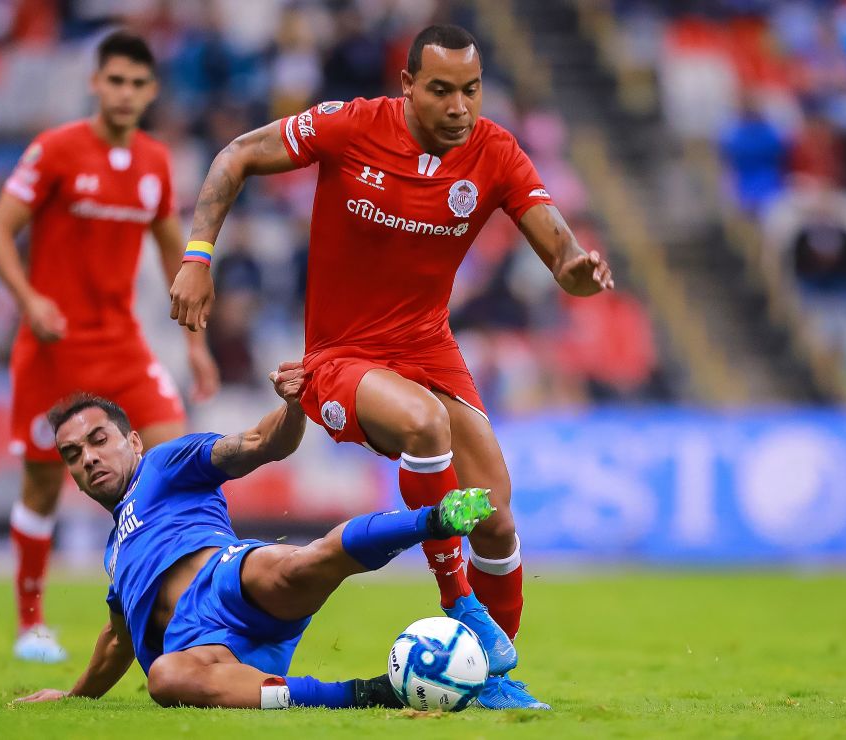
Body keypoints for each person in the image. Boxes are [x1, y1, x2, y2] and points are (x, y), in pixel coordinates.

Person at [169, 24, 616, 709]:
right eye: (441, 90)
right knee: (424, 423)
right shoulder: (351, 126)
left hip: (427, 347)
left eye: (470, 90)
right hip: (339, 356)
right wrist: (199, 256)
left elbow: (560, 250)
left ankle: (491, 679)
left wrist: (578, 272)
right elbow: (235, 155)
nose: (459, 106)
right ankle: (457, 600)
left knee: (495, 517)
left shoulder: (495, 151)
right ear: (407, 85)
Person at [15, 363, 497, 709]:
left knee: (296, 564)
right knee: (164, 679)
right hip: (205, 649)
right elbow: (118, 642)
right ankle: (366, 694)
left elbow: (260, 444)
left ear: (133, 441)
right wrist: (72, 698)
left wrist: (293, 407)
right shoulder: (114, 556)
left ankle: (434, 519)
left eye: (98, 440)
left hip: (229, 582)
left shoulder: (164, 465)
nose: (89, 458)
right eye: (73, 454)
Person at [0, 30, 219, 663]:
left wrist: (195, 345)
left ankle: (192, 606)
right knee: (41, 486)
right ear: (96, 83)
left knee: (179, 464)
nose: (126, 92)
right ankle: (31, 622)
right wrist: (29, 300)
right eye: (115, 80)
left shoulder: (154, 162)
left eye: (138, 83)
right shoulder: (56, 150)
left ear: (152, 91)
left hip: (121, 344)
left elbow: (177, 254)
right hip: (51, 347)